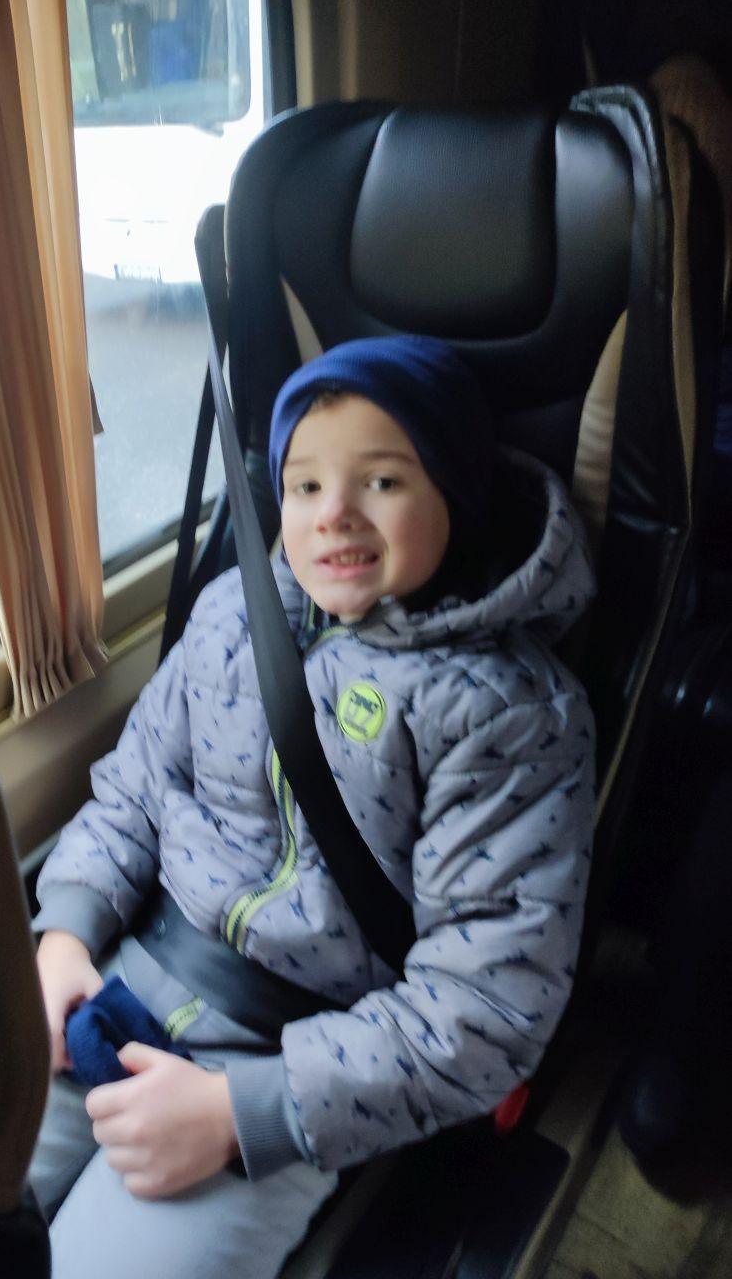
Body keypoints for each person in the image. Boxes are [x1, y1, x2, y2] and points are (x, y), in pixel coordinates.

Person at [29, 335, 597, 1278]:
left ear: (457, 492)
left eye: (382, 481)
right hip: (121, 982)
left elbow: (487, 1003)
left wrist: (240, 1114)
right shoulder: (231, 615)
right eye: (304, 486)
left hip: (296, 1071)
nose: (334, 513)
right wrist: (62, 938)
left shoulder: (508, 715)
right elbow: (133, 789)